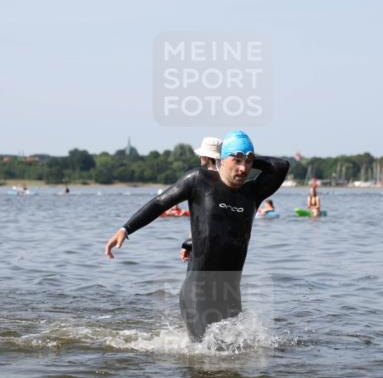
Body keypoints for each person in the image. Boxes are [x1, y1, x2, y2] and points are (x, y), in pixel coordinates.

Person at [106, 130, 289, 341]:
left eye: (248, 162)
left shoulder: (252, 193)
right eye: (237, 161)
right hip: (197, 293)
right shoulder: (199, 181)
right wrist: (125, 229)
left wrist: (246, 154)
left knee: (233, 359)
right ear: (222, 159)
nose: (243, 168)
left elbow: (281, 166)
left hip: (230, 293)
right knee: (204, 358)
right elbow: (160, 203)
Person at [179, 136, 221, 262]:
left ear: (207, 157)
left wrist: (188, 243)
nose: (199, 157)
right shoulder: (228, 180)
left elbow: (202, 217)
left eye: (201, 154)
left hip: (203, 246)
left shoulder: (202, 180)